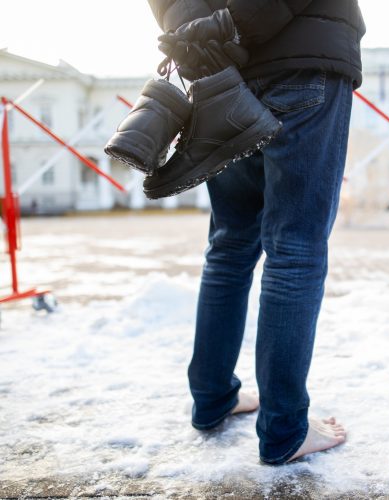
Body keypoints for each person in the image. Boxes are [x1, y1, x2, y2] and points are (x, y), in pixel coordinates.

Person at [147, 0, 366, 465]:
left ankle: (212, 397)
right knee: (295, 249)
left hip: (218, 74)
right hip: (301, 58)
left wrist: (203, 35)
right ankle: (285, 428)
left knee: (228, 245)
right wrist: (237, 25)